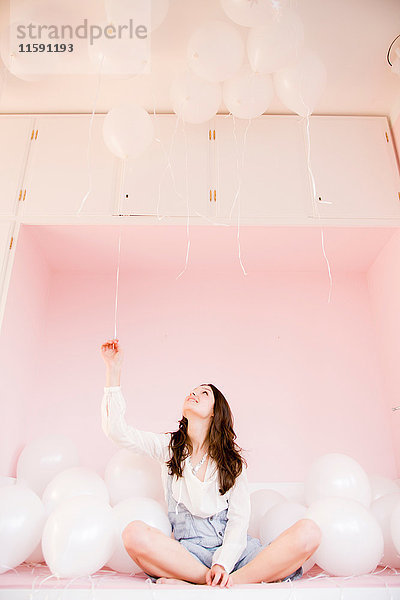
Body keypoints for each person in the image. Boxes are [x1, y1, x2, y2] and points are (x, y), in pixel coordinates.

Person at [100, 338, 321, 587]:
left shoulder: (232, 462)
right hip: (188, 557)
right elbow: (118, 432)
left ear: (216, 411)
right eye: (192, 392)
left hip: (235, 555)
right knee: (133, 533)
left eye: (203, 393)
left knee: (309, 532)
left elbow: (238, 521)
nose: (193, 394)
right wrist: (113, 369)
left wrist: (223, 564)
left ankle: (228, 581)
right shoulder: (170, 448)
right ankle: (210, 582)